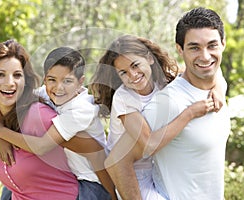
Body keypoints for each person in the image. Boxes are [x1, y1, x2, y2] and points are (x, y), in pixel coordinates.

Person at [89, 34, 226, 199]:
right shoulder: (124, 98)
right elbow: (148, 144)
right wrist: (189, 113)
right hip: (134, 175)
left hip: (157, 169)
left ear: (149, 58)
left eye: (135, 65)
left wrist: (218, 89)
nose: (133, 75)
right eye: (123, 72)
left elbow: (206, 70)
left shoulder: (164, 79)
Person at [0, 46, 117, 200]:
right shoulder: (47, 93)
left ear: (80, 82)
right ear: (45, 79)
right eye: (52, 80)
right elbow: (4, 98)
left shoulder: (82, 110)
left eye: (68, 81)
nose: (59, 87)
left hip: (92, 182)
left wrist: (1, 133)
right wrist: (0, 134)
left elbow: (41, 146)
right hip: (67, 175)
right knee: (10, 188)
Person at [0, 39, 80, 199]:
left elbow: (91, 147)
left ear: (26, 80)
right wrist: (1, 131)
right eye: (0, 75)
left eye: (17, 75)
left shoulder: (38, 115)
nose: (10, 83)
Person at [142, 7, 230, 199]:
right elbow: (124, 160)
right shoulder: (168, 102)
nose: (205, 56)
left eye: (212, 45)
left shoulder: (217, 86)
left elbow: (215, 75)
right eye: (194, 47)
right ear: (180, 49)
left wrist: (219, 88)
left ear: (223, 44)